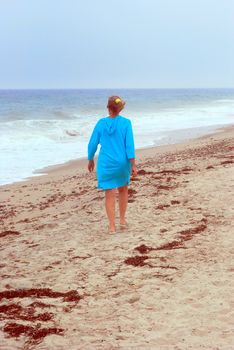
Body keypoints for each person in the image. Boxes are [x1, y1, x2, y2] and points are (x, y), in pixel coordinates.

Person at [87, 95, 137, 233]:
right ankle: (122, 220)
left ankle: (112, 226)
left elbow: (92, 144)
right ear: (120, 109)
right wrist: (133, 165)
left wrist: (90, 159)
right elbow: (129, 146)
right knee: (123, 190)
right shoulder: (126, 123)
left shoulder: (101, 123)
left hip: (106, 164)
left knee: (109, 193)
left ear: (108, 108)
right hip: (122, 163)